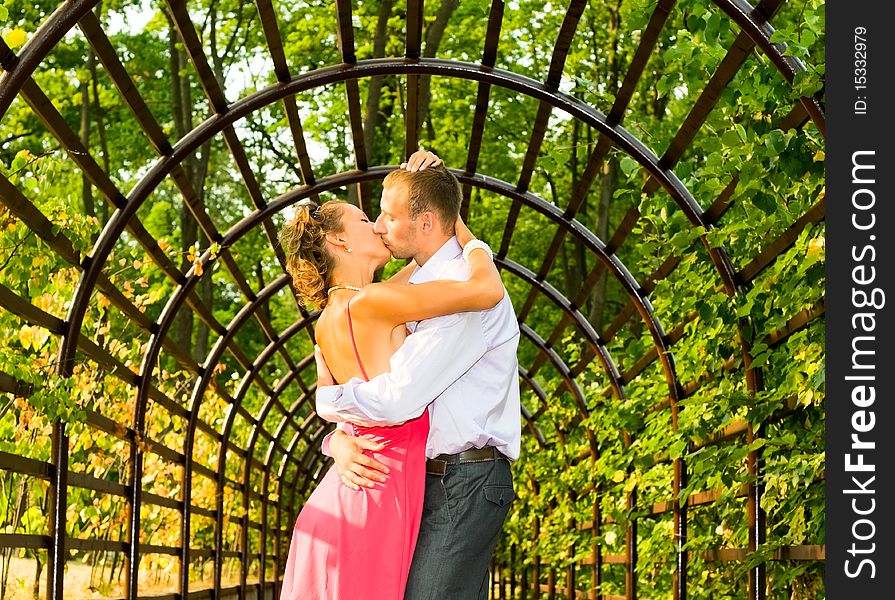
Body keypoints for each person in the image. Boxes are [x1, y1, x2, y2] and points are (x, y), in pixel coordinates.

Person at [277, 151, 506, 600]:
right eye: (366, 219)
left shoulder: (328, 321)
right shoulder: (377, 303)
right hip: (378, 498)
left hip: (343, 498)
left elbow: (418, 266)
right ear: (339, 241)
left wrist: (334, 437)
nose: (379, 226)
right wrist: (466, 233)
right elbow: (486, 289)